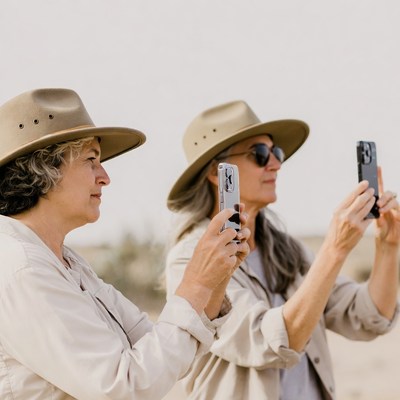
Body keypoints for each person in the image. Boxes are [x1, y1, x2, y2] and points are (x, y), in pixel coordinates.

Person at [0, 89, 250, 399]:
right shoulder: (23, 269)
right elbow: (124, 387)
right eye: (91, 160)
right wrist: (196, 283)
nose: (104, 177)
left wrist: (216, 276)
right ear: (43, 169)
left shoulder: (66, 262)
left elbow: (160, 354)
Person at [165, 100, 400, 400]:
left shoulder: (286, 250)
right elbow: (267, 341)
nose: (276, 164)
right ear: (217, 173)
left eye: (276, 153)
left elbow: (368, 316)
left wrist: (388, 246)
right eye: (260, 155)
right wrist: (335, 249)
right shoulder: (189, 259)